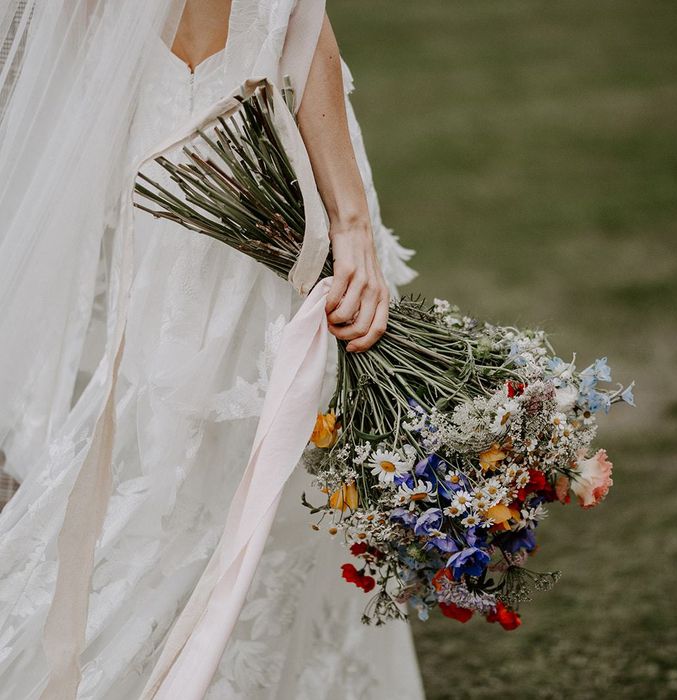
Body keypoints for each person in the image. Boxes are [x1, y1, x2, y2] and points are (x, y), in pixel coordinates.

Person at [0, 1, 424, 697]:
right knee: (268, 446)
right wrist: (349, 222)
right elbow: (297, 22)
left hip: (163, 180)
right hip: (268, 172)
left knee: (182, 447)